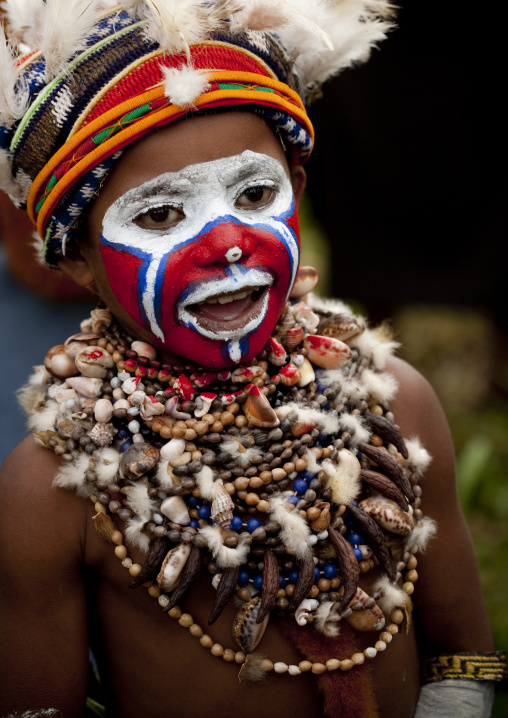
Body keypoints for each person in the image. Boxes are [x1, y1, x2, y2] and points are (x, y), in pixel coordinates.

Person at [0, 2, 504, 717]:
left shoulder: (394, 397)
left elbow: (461, 657)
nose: (228, 243)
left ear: (298, 191)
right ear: (77, 258)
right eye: (160, 214)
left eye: (255, 193)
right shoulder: (51, 488)